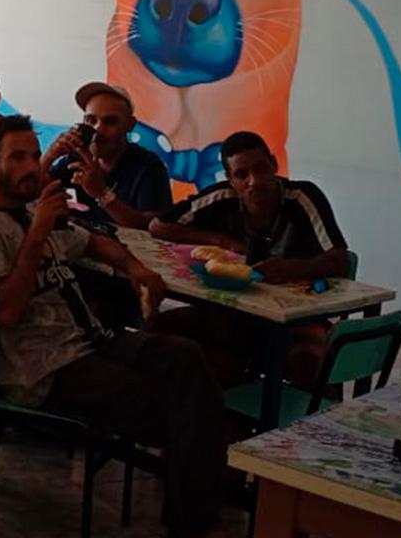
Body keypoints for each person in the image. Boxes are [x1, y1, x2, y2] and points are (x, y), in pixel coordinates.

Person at [0, 114, 234, 538]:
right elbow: (6, 311)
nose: (30, 167)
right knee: (177, 406)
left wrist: (137, 269)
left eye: (34, 155)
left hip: (93, 340)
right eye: (17, 157)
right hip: (44, 366)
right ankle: (193, 526)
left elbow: (91, 241)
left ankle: (192, 516)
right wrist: (37, 234)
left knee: (188, 359)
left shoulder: (36, 212)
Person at [148, 130, 351, 387]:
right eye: (241, 175)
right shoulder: (222, 197)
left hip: (296, 316)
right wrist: (221, 241)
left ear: (274, 165)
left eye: (261, 169)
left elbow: (340, 260)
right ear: (231, 181)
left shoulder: (301, 198)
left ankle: (310, 410)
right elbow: (159, 226)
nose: (254, 182)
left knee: (307, 358)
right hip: (234, 312)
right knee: (159, 329)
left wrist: (291, 268)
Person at [41, 81, 172, 229]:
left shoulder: (148, 167)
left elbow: (153, 226)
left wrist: (102, 193)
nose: (98, 129)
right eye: (91, 120)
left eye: (110, 122)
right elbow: (30, 193)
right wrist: (48, 157)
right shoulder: (76, 158)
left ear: (130, 124)